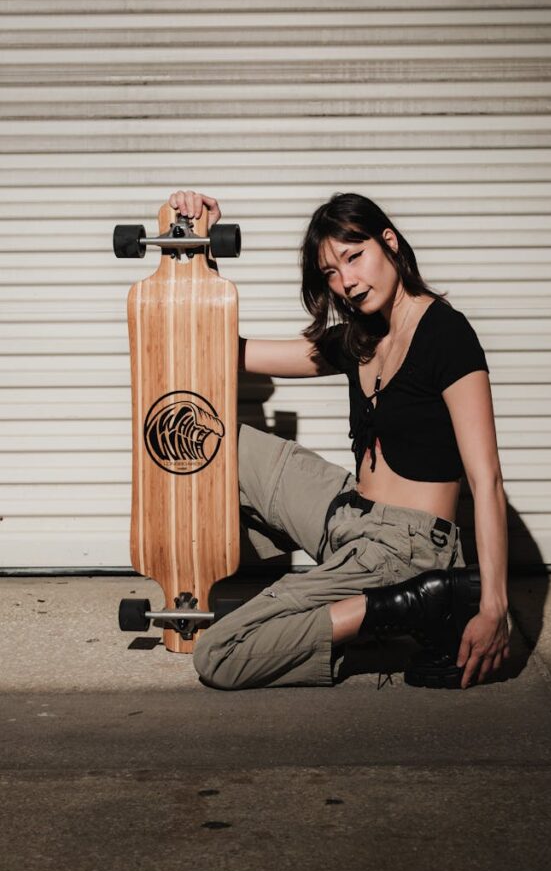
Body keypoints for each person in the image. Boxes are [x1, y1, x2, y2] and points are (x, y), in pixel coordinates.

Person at [168, 189, 510, 691]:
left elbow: (488, 480)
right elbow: (224, 349)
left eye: (355, 256)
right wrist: (202, 248)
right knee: (210, 440)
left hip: (406, 551)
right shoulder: (360, 335)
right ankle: (350, 594)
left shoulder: (447, 334)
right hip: (350, 514)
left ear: (388, 242)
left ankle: (404, 605)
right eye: (331, 271)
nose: (347, 281)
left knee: (220, 655)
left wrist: (494, 605)